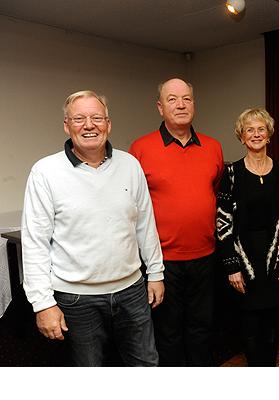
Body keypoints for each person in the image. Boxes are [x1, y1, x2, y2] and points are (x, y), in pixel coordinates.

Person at [21, 90, 164, 367]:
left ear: (108, 124)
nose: (89, 125)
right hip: (76, 300)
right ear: (67, 126)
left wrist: (156, 272)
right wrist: (43, 303)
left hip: (132, 291)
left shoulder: (130, 165)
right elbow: (35, 242)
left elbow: (145, 223)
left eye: (97, 118)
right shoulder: (45, 172)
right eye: (79, 119)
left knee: (146, 365)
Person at [129, 78, 224, 366]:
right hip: (161, 261)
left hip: (205, 257)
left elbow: (214, 191)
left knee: (202, 328)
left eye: (186, 99)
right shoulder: (140, 149)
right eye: (172, 99)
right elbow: (132, 204)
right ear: (160, 107)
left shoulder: (213, 147)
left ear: (194, 104)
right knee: (167, 333)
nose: (180, 105)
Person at [216, 108, 279, 366]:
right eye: (249, 130)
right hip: (245, 263)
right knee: (250, 329)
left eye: (261, 129)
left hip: (277, 261)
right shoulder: (232, 173)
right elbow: (223, 222)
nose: (256, 134)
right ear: (241, 137)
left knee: (273, 327)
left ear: (269, 135)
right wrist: (231, 266)